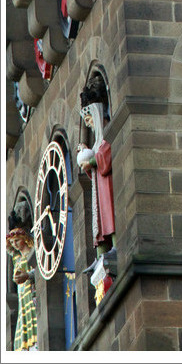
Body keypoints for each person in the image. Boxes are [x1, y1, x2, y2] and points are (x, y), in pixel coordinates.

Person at [76, 77, 116, 259]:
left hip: (108, 186)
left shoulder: (107, 131)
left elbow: (107, 153)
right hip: (100, 185)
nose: (88, 123)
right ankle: (101, 255)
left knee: (109, 216)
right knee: (99, 220)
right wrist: (87, 155)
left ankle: (114, 246)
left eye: (89, 119)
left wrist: (91, 161)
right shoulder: (98, 139)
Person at [6, 210, 38, 351]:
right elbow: (11, 252)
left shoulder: (32, 252)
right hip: (22, 298)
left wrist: (28, 275)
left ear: (24, 238)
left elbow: (40, 269)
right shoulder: (17, 259)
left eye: (17, 241)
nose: (15, 245)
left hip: (31, 294)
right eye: (13, 243)